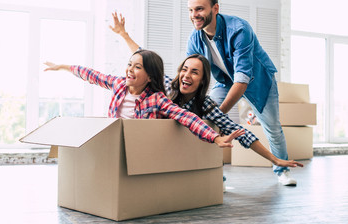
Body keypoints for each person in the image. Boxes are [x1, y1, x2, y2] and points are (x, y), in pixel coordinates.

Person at [109, 12, 304, 190]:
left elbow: (241, 134)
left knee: (223, 128)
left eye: (194, 72)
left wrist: (275, 159)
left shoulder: (206, 106)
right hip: (158, 149)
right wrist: (124, 35)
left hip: (252, 84)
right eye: (184, 70)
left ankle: (215, 175)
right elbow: (145, 60)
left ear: (203, 80)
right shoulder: (168, 85)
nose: (187, 75)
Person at [185, 0, 297, 186]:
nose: (195, 15)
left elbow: (242, 80)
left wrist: (218, 113)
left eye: (200, 9)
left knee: (272, 127)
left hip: (258, 80)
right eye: (191, 10)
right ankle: (216, 176)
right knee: (207, 121)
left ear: (215, 8)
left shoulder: (239, 29)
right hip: (224, 82)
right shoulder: (195, 39)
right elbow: (194, 74)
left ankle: (282, 170)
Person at [43, 49, 245, 148]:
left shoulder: (157, 99)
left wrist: (215, 137)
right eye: (130, 64)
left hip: (138, 147)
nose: (130, 70)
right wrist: (63, 67)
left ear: (150, 76)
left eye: (137, 67)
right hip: (114, 141)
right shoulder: (119, 84)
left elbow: (187, 117)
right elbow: (92, 75)